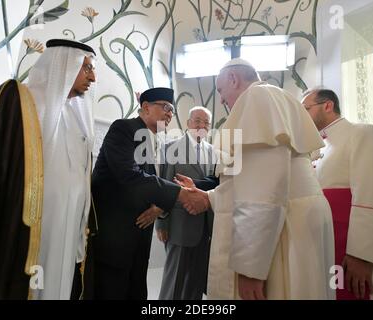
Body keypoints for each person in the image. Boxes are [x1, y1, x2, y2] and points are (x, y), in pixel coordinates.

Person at [177, 58, 336, 300]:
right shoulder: (279, 97)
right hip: (294, 217)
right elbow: (252, 179)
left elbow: (264, 191)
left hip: (283, 227)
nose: (221, 99)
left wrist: (250, 266)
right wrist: (208, 197)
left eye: (220, 90)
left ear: (234, 79)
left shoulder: (257, 97)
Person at [0, 39, 97, 299]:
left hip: (66, 236)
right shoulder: (14, 101)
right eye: (86, 68)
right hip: (18, 238)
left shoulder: (78, 119)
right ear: (64, 65)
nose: (92, 77)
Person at [91, 87, 204, 300]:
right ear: (145, 107)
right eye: (166, 107)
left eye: (172, 110)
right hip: (115, 239)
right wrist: (179, 194)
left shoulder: (153, 141)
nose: (170, 114)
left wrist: (159, 207)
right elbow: (129, 176)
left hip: (137, 243)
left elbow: (150, 185)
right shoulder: (123, 129)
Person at [302, 88, 373, 299]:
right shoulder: (320, 149)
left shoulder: (364, 133)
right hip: (332, 247)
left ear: (327, 106)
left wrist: (362, 254)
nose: (301, 115)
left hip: (359, 254)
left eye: (306, 108)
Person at [156, 106, 219, 300]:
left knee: (196, 285)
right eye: (197, 120)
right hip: (179, 226)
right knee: (174, 283)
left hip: (205, 228)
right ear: (188, 123)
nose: (201, 125)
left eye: (206, 122)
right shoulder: (170, 148)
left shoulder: (214, 152)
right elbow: (163, 188)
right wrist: (162, 222)